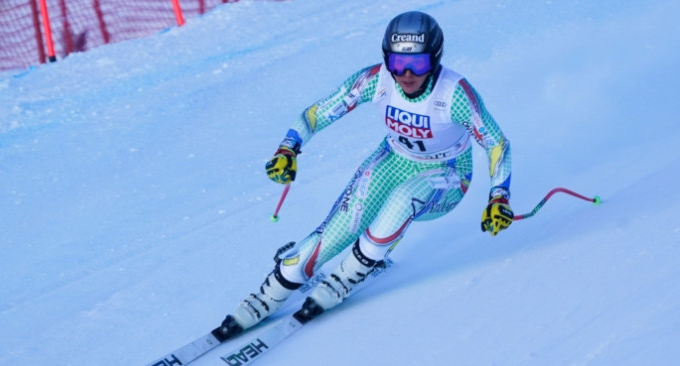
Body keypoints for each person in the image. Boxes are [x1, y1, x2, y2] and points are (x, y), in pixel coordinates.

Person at [214, 10, 513, 337]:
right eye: (398, 64)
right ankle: (269, 294)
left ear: (436, 60)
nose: (408, 74)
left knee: (401, 200)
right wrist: (289, 148)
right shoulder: (376, 80)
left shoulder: (454, 93)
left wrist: (499, 196)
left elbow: (497, 144)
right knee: (336, 232)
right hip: (394, 161)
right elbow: (316, 114)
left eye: (419, 64)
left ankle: (351, 272)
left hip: (450, 174)